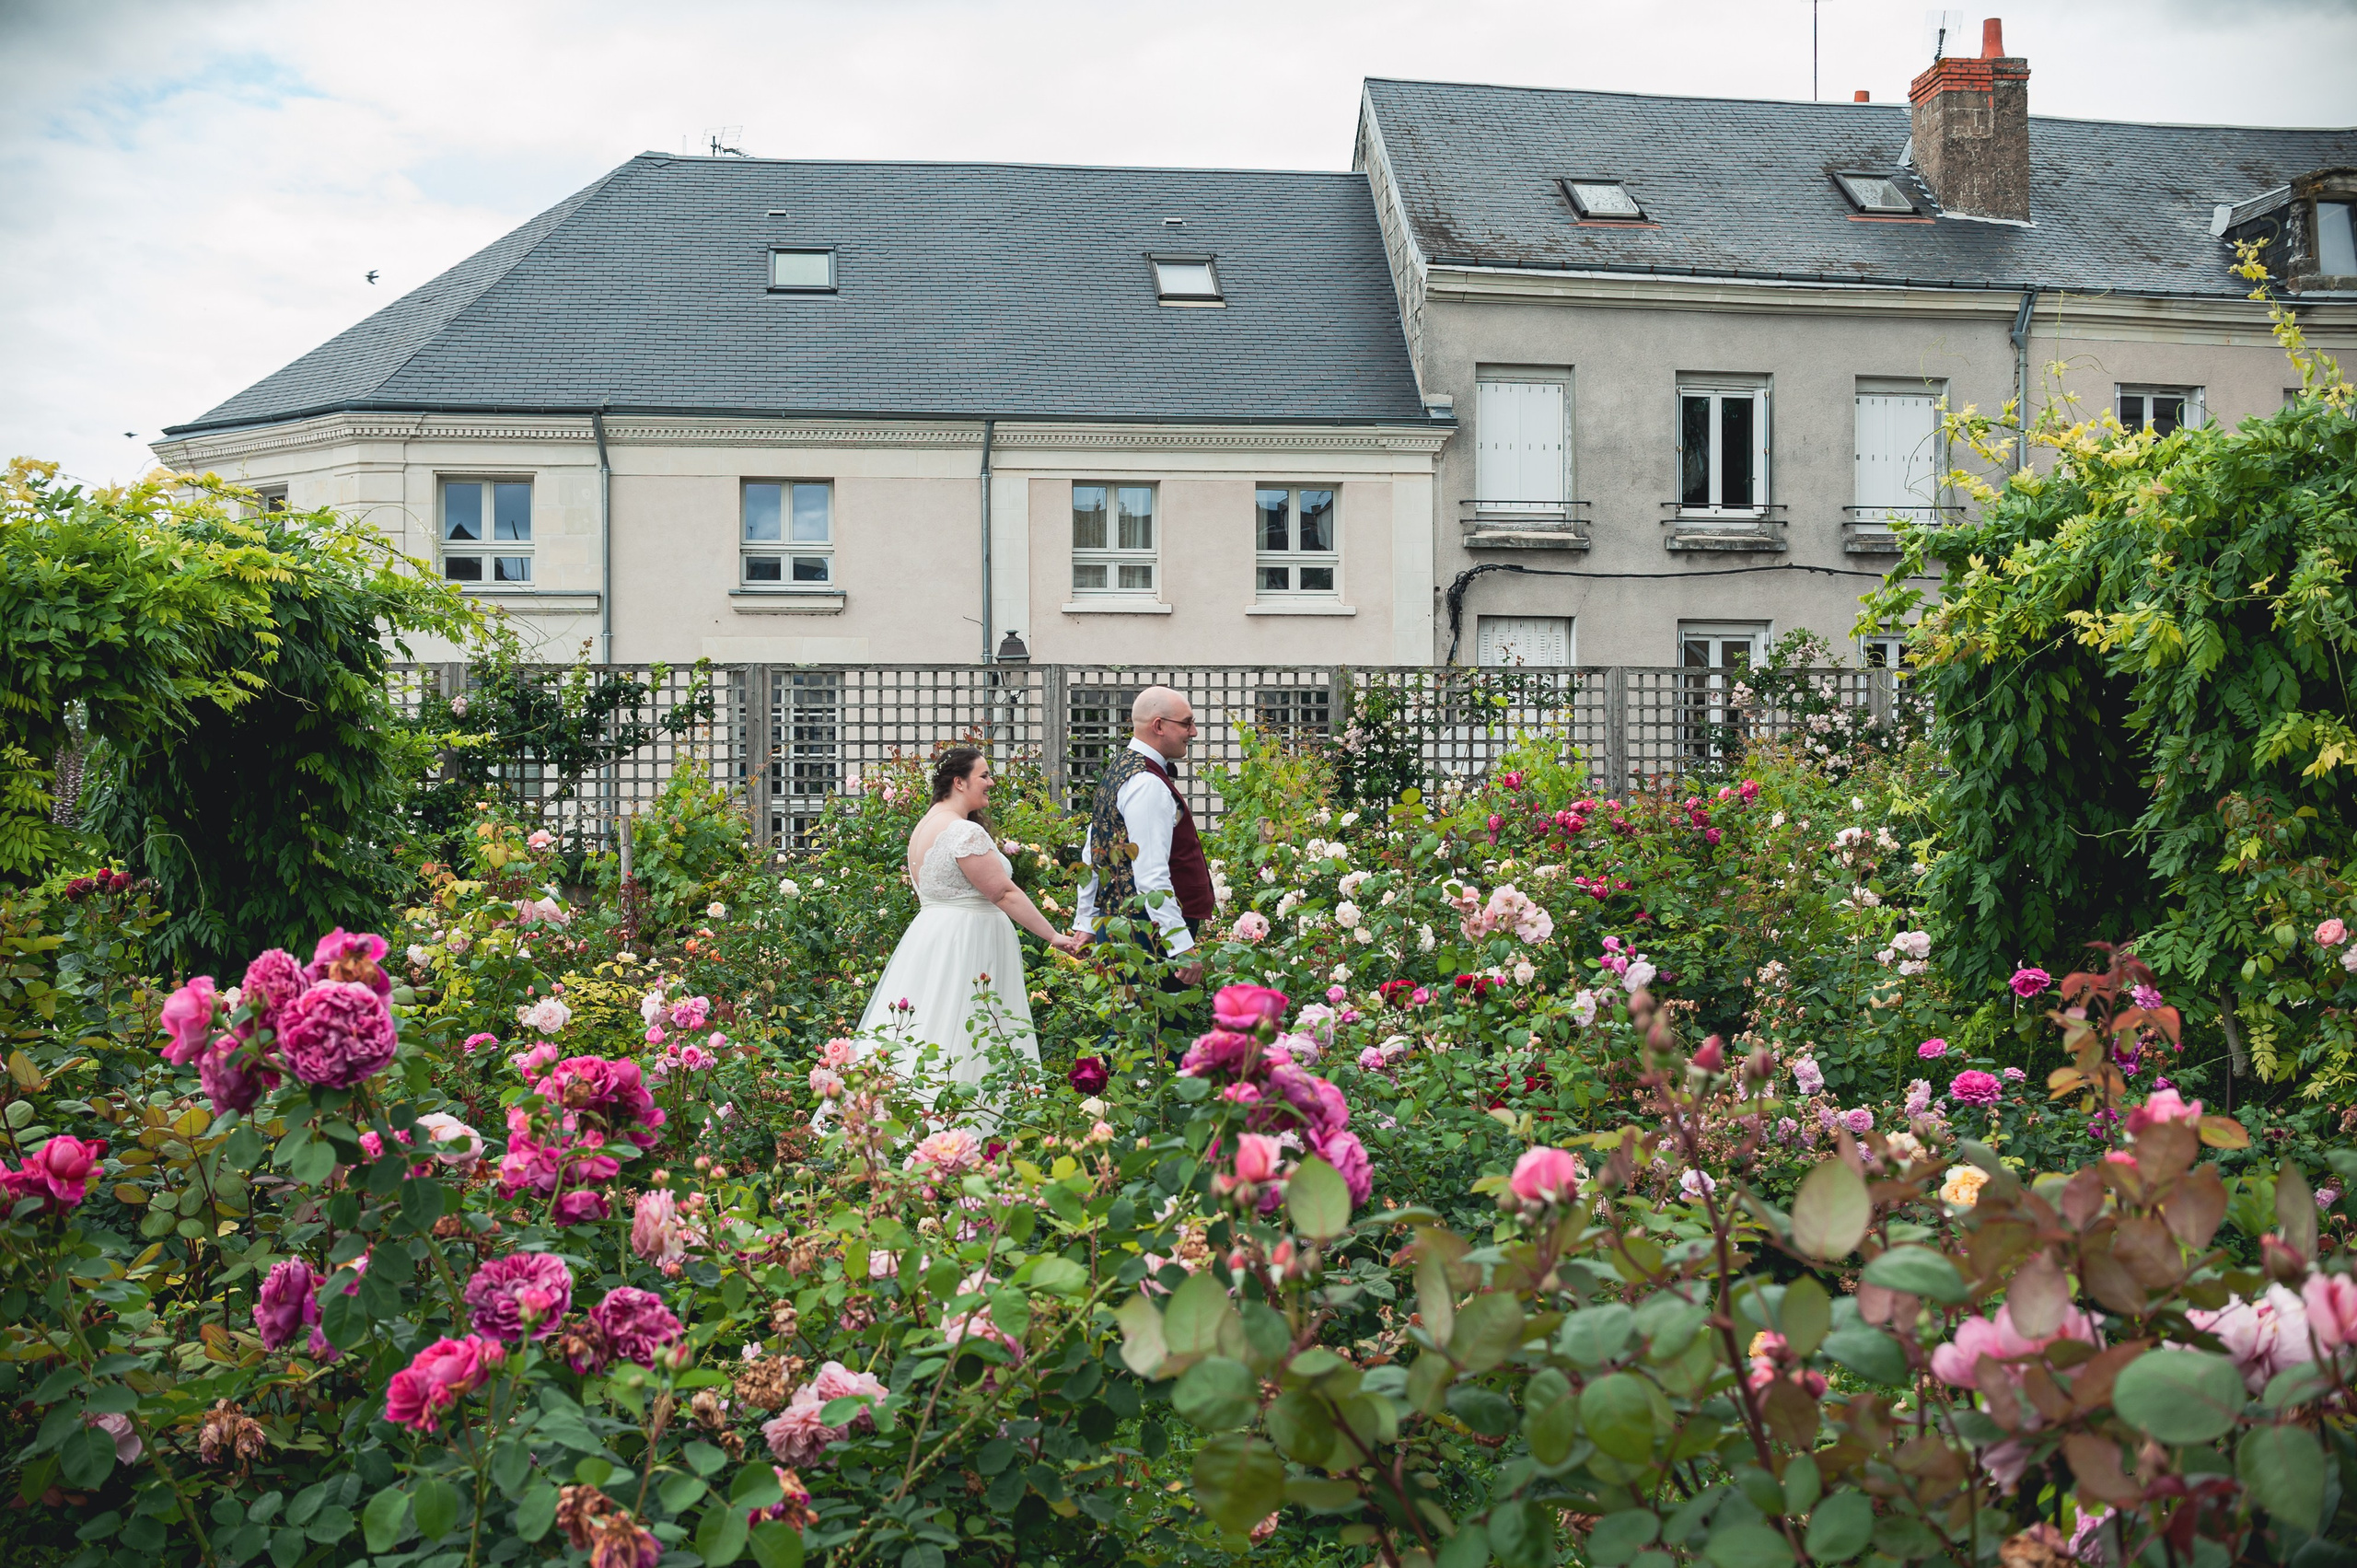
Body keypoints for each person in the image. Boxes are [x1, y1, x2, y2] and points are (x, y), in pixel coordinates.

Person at [853, 748, 1083, 1102]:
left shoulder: (927, 824)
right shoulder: (962, 831)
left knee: (934, 1023)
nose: (991, 782)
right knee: (970, 1026)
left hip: (933, 937)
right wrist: (1053, 935)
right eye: (984, 776)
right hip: (969, 942)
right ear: (959, 782)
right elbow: (1003, 892)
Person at [1070, 686, 1216, 988]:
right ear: (1159, 726)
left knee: (1127, 1028)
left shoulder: (1120, 770)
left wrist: (1086, 922)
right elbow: (1151, 876)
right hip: (1147, 934)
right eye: (1187, 723)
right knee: (1157, 1030)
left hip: (1122, 927)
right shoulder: (1147, 783)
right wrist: (1181, 946)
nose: (1194, 732)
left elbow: (1092, 852)